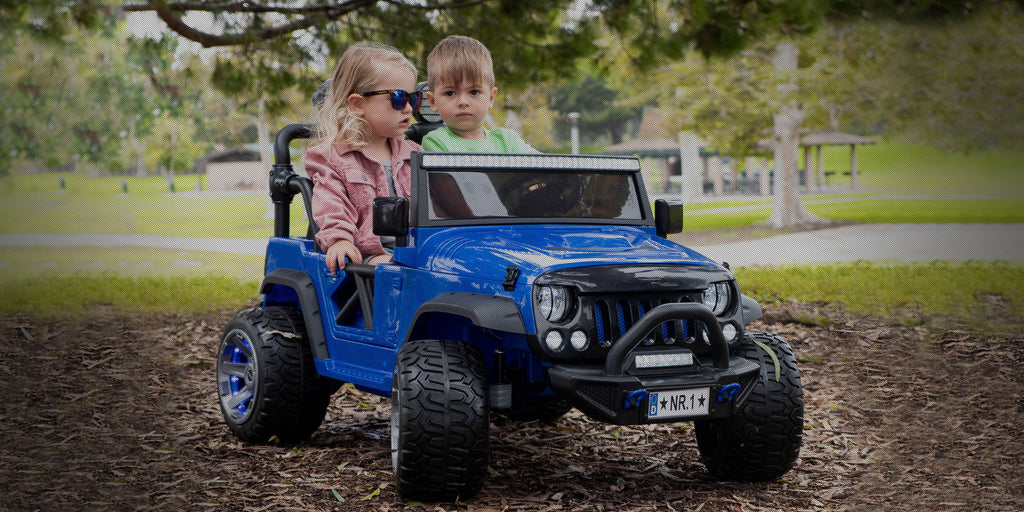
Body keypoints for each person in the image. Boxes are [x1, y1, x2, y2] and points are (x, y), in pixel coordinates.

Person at [304, 42, 423, 274]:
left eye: (413, 99)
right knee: (399, 271)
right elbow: (330, 203)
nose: (408, 108)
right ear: (358, 104)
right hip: (368, 256)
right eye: (398, 98)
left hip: (416, 251)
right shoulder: (332, 157)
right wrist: (339, 240)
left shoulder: (415, 153)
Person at [421, 35, 535, 153]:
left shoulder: (508, 141)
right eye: (450, 93)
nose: (463, 102)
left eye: (474, 92)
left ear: (491, 98)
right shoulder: (436, 142)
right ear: (433, 101)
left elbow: (546, 166)